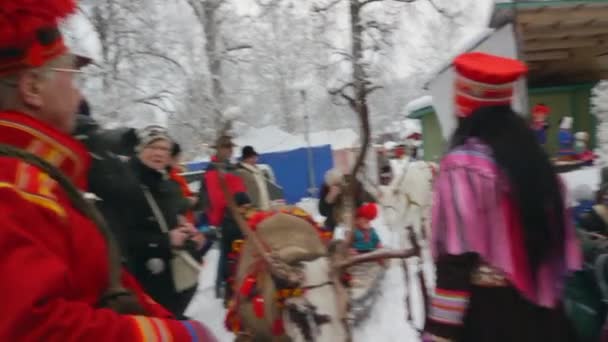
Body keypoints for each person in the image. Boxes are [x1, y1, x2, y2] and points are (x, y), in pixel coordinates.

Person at [0, 1, 215, 340]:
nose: (79, 92)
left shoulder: (42, 178)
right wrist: (173, 336)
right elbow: (34, 328)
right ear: (33, 89)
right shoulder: (13, 187)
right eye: (72, 76)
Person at [424, 52, 581, 342]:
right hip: (547, 316)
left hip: (490, 319)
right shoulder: (535, 162)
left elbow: (455, 262)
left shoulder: (463, 166)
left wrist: (438, 334)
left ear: (463, 106)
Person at [126, 126, 205, 319]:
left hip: (173, 276)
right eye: (153, 147)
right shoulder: (126, 184)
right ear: (140, 150)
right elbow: (120, 235)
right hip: (142, 281)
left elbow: (171, 216)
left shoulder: (166, 184)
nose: (159, 153)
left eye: (164, 149)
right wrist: (165, 240)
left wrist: (186, 229)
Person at [235, 145, 271, 210]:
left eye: (255, 157)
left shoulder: (257, 170)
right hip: (253, 208)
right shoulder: (241, 172)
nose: (256, 159)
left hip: (264, 206)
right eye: (253, 157)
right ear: (247, 158)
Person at [169, 142, 196, 224]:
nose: (179, 160)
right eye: (178, 157)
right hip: (181, 226)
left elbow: (186, 193)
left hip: (188, 223)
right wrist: (188, 201)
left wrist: (194, 197)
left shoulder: (177, 175)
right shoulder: (168, 177)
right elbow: (171, 203)